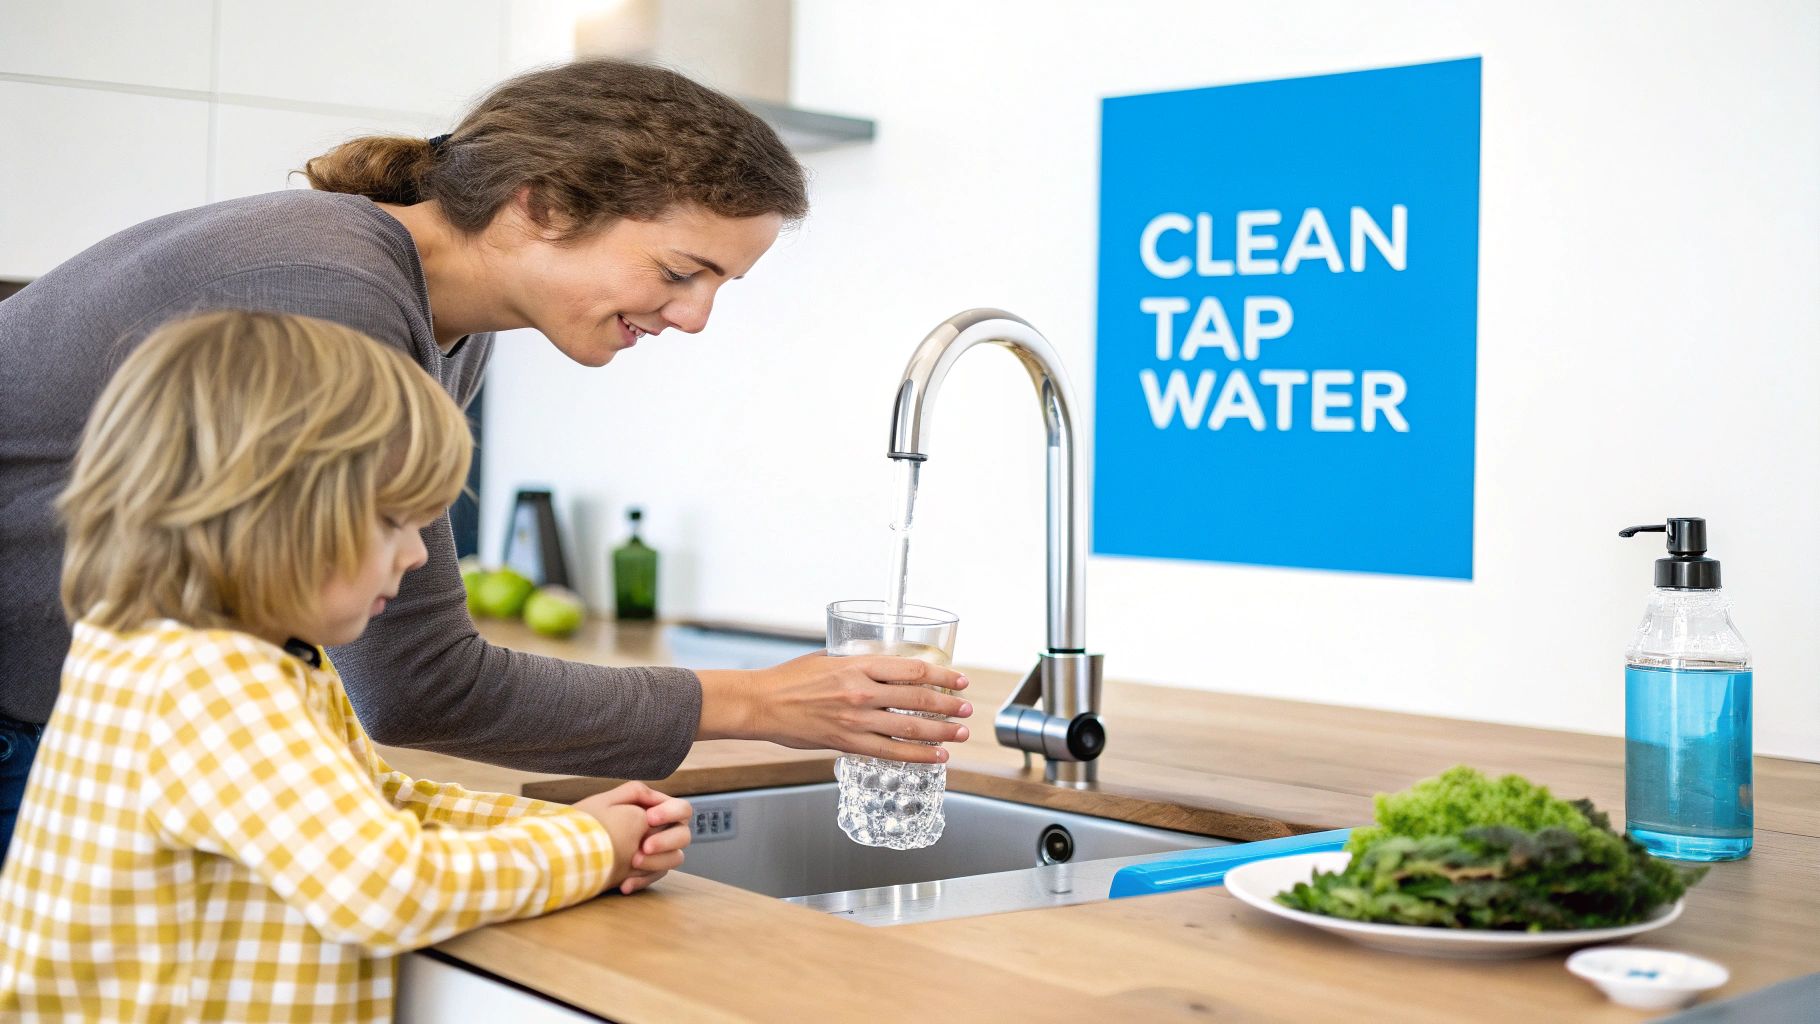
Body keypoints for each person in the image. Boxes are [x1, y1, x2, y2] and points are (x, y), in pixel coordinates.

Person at [0, 58, 972, 861]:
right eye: (681, 272)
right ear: (538, 206)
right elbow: (416, 684)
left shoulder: (447, 315)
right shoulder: (333, 291)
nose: (693, 317)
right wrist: (763, 701)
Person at [0, 311, 694, 1020]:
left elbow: (373, 801)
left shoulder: (212, 650)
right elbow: (386, 887)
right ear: (273, 515)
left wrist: (566, 825)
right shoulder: (208, 680)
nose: (418, 554)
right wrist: (588, 848)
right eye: (394, 521)